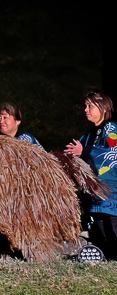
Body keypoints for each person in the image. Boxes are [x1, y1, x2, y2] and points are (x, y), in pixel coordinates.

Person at [65, 91, 117, 259]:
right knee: (100, 239)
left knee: (114, 234)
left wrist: (84, 151)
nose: (85, 110)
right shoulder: (86, 136)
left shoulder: (111, 128)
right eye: (85, 106)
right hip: (95, 197)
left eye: (90, 106)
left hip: (111, 197)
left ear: (103, 108)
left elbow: (112, 153)